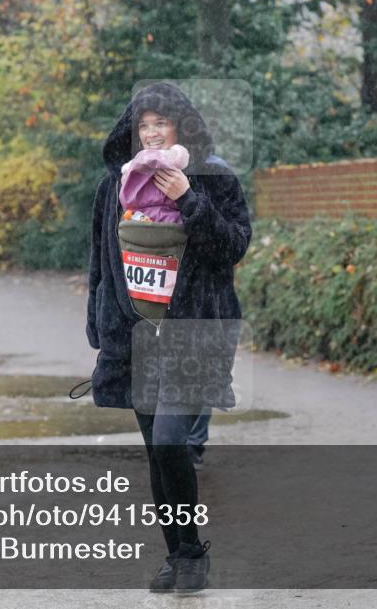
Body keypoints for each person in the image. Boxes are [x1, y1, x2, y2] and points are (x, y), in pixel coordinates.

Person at [86, 82, 251, 593]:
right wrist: (100, 325)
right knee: (156, 452)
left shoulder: (213, 178)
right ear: (133, 132)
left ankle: (191, 553)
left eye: (163, 123)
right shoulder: (114, 185)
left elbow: (233, 246)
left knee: (170, 439)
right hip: (137, 339)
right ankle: (179, 554)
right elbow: (101, 262)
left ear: (183, 127)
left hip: (195, 333)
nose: (153, 132)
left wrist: (188, 199)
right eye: (145, 125)